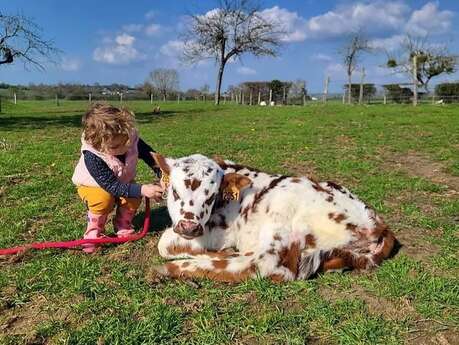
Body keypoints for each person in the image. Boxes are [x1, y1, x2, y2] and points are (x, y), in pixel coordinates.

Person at [72, 103, 164, 253]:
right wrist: (143, 189)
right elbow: (111, 186)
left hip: (121, 181)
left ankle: (123, 225)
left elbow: (148, 155)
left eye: (126, 140)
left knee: (134, 197)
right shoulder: (92, 155)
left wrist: (162, 173)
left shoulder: (127, 139)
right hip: (94, 185)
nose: (126, 147)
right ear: (98, 144)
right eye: (115, 147)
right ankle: (93, 233)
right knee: (103, 199)